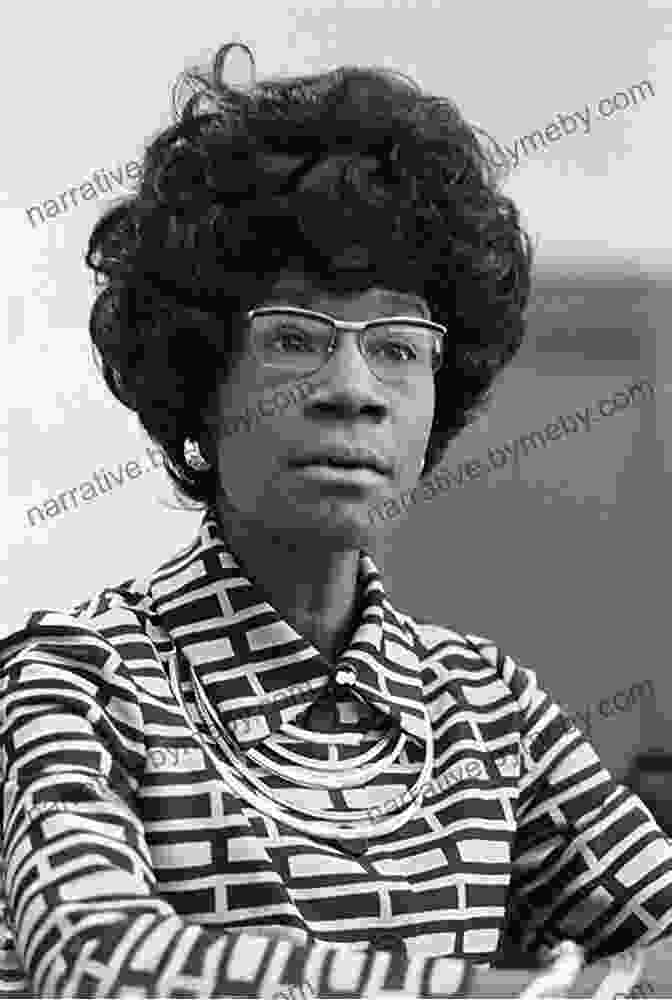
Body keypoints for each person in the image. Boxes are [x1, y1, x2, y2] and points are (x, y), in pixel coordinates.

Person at [1, 40, 670, 999]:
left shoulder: (488, 709)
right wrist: (520, 994)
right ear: (198, 385)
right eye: (294, 338)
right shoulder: (75, 680)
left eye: (399, 346)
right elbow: (105, 962)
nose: (354, 390)